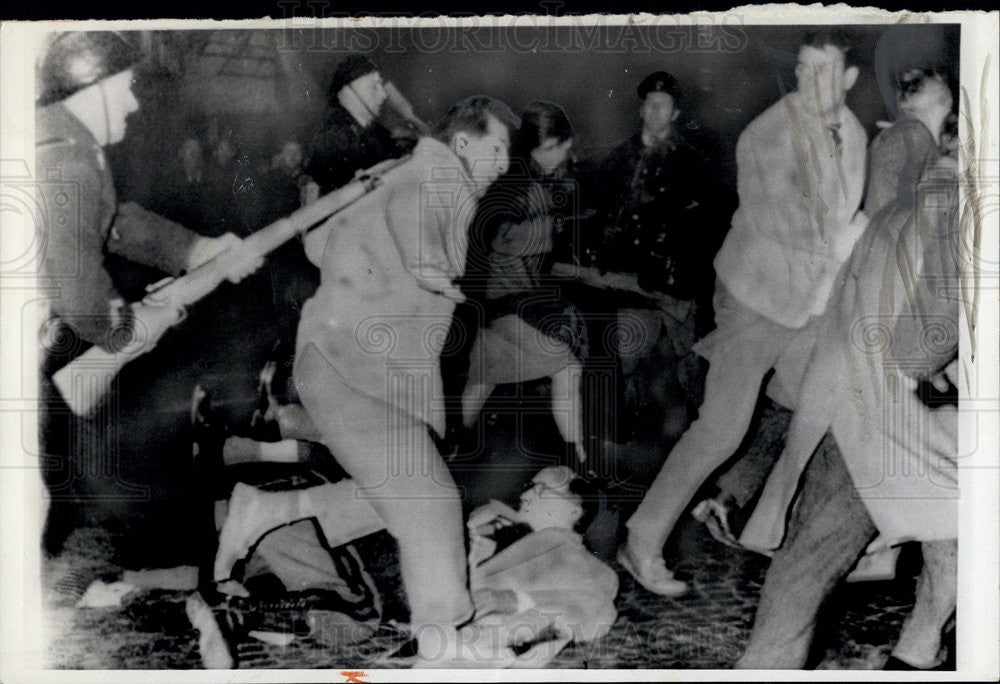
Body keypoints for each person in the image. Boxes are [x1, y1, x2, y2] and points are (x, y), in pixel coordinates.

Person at [619, 30, 869, 597]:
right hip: (758, 299)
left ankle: (747, 508)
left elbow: (841, 214)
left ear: (849, 80)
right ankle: (643, 538)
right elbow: (794, 226)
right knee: (720, 429)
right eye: (803, 69)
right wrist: (850, 239)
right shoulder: (769, 133)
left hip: (808, 302)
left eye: (824, 71)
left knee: (820, 400)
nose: (809, 81)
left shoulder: (852, 133)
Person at [735, 68, 959, 670]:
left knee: (811, 560)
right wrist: (931, 378)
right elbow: (932, 328)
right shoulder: (966, 212)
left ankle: (918, 645)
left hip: (843, 397)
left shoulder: (913, 203)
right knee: (939, 521)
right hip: (885, 413)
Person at [292, 95, 518, 667]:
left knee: (401, 498)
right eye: (496, 148)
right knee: (431, 500)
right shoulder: (439, 183)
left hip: (342, 362)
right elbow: (422, 237)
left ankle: (253, 516)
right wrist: (434, 274)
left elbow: (317, 247)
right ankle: (441, 652)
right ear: (462, 144)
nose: (502, 163)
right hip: (354, 373)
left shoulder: (401, 175)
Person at [35, 31, 260, 553]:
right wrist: (131, 328)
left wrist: (197, 249)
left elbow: (112, 224)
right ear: (94, 88)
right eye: (127, 87)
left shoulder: (70, 145)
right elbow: (74, 284)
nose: (134, 102)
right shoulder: (64, 159)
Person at [210, 465, 618, 667]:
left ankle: (252, 602)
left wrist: (511, 599)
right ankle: (256, 602)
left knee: (424, 494)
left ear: (574, 509)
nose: (527, 492)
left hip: (374, 597)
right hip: (372, 586)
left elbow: (595, 605)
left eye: (541, 488)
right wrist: (473, 542)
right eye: (530, 485)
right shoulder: (508, 530)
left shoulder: (572, 554)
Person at [457, 101, 590, 464]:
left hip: (493, 302)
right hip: (503, 302)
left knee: (484, 378)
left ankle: (447, 451)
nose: (567, 155)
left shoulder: (524, 179)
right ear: (546, 147)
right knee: (567, 365)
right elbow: (498, 237)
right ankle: (579, 459)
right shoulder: (516, 184)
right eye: (562, 148)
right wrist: (554, 228)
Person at [304, 55, 404, 196]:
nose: (383, 95)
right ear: (348, 93)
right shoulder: (332, 141)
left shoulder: (379, 133)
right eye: (374, 87)